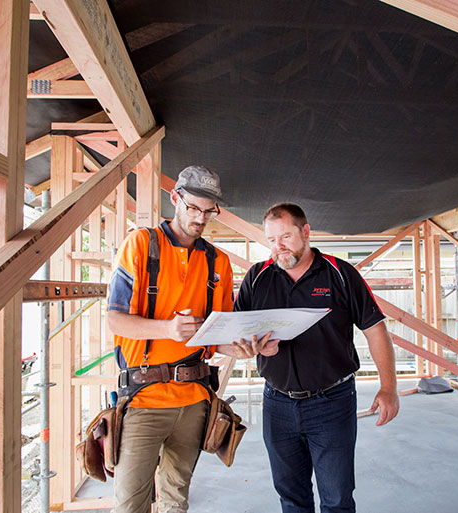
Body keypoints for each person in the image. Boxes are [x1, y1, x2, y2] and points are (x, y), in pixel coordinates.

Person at [106, 165, 274, 513]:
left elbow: (214, 339)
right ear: (176, 198)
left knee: (175, 501)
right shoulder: (139, 245)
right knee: (129, 504)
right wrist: (166, 329)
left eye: (208, 210)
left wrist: (245, 348)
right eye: (193, 207)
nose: (200, 218)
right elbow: (115, 319)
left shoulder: (219, 263)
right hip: (142, 400)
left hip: (194, 401)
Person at [234, 203, 400, 513]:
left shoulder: (340, 274)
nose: (278, 247)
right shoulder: (257, 277)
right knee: (291, 496)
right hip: (277, 404)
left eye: (285, 237)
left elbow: (376, 330)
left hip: (332, 403)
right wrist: (254, 347)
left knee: (336, 498)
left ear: (306, 232)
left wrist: (389, 387)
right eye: (271, 240)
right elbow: (236, 334)